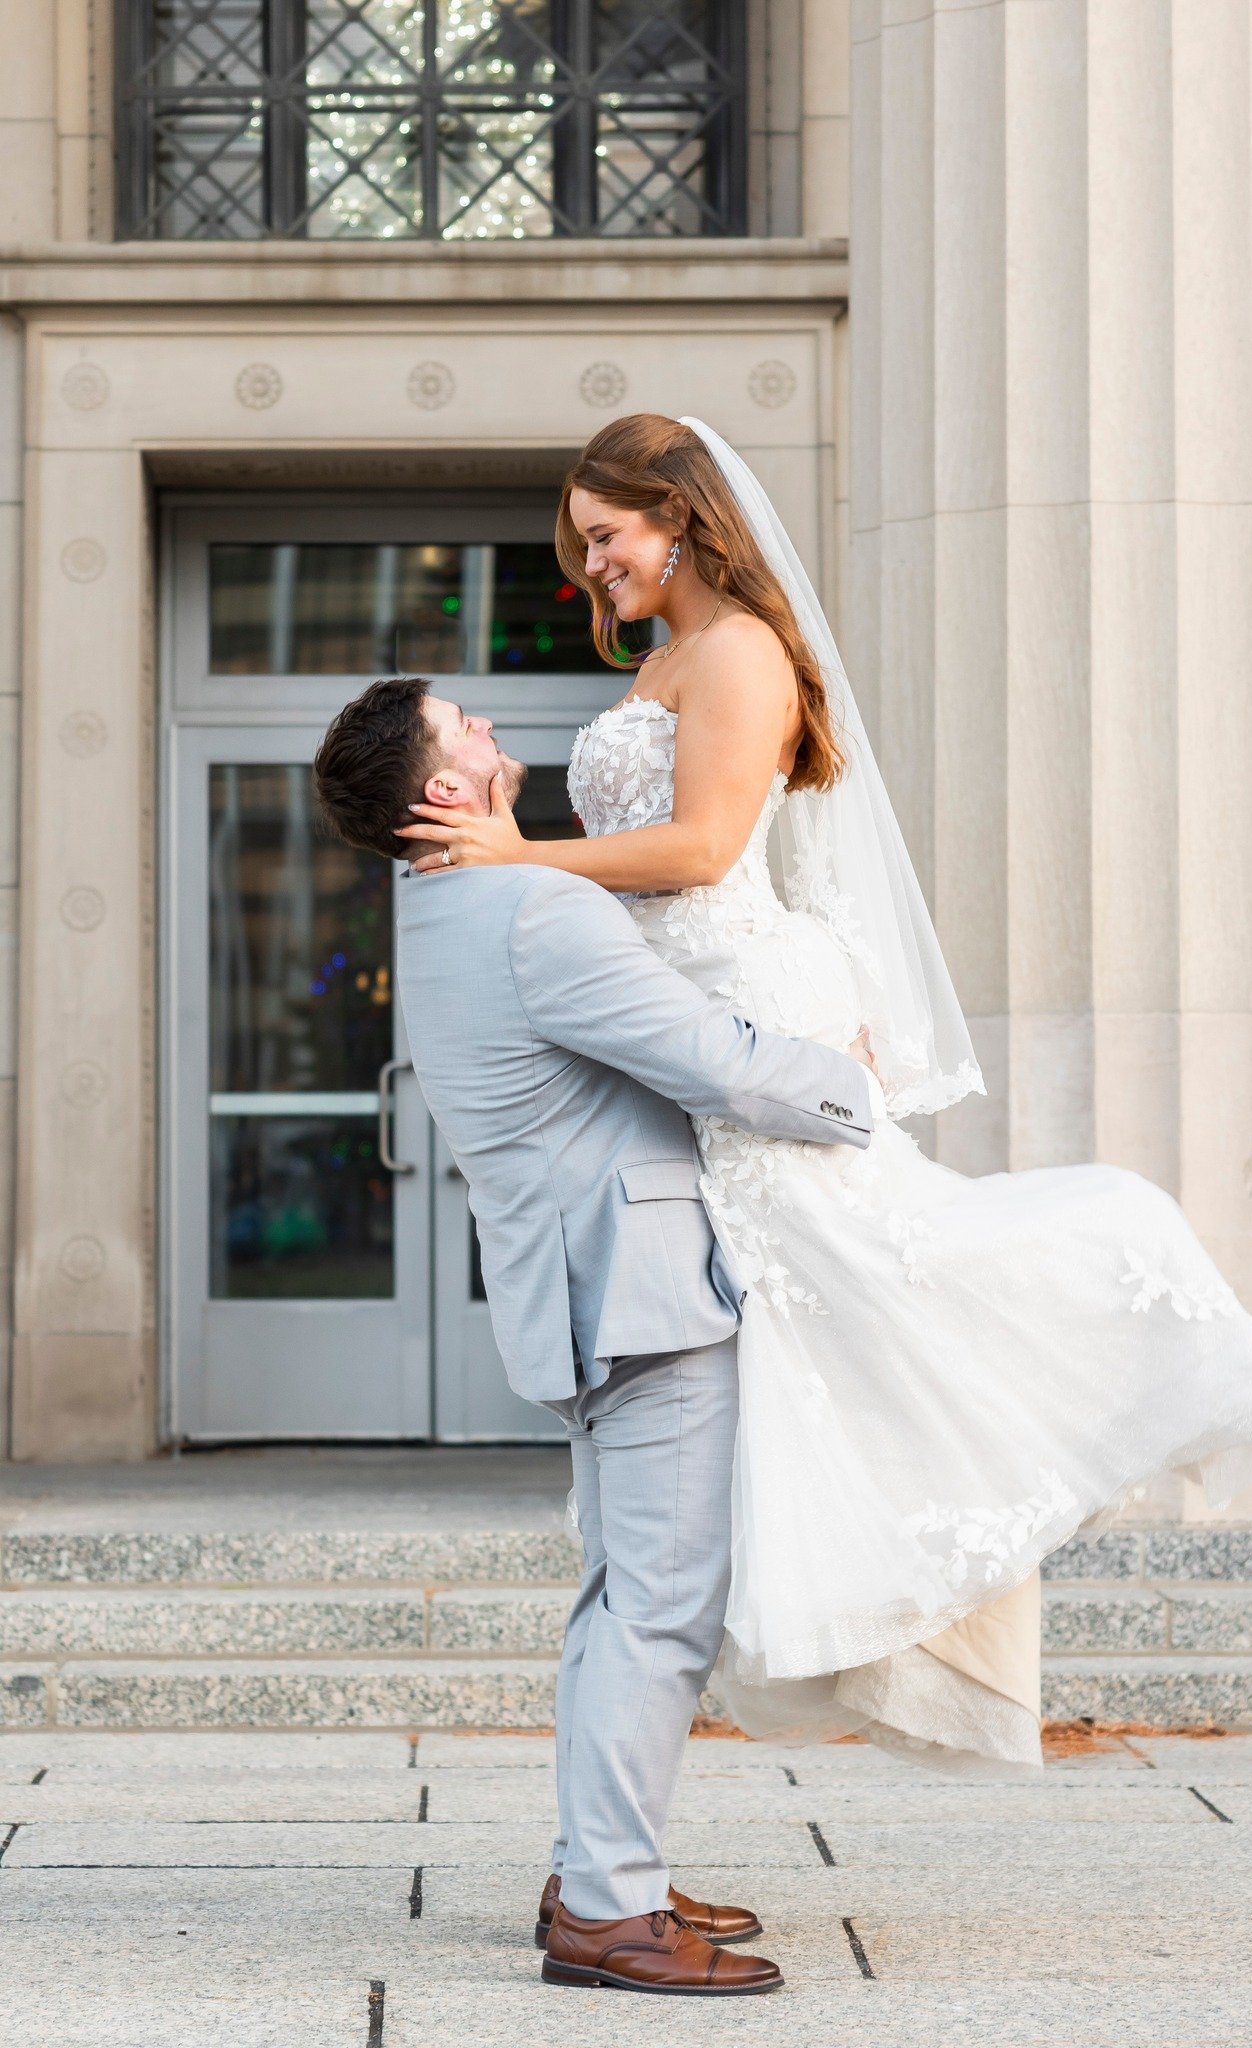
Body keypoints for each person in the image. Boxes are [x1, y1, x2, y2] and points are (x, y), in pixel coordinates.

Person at [396, 413, 1252, 1774]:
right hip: (686, 999)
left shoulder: (747, 652)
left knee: (862, 1268)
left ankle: (1093, 1312)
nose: (591, 568)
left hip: (748, 992)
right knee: (788, 1309)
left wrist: (521, 856)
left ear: (683, 517)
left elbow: (705, 848)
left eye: (607, 536)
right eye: (583, 546)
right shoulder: (662, 661)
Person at [314, 678, 876, 1994]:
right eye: (467, 729)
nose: (494, 733)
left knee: (621, 1596)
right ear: (443, 792)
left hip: (580, 1285)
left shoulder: (443, 908)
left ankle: (595, 1870)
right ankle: (609, 1916)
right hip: (641, 1287)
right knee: (660, 1604)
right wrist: (855, 1083)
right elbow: (711, 1061)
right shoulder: (530, 905)